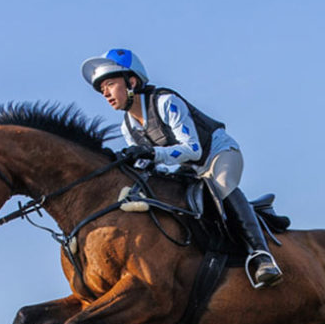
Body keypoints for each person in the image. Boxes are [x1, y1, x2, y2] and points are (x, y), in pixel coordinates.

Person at [81, 48, 282, 287]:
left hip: (218, 154)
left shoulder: (166, 102)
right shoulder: (128, 126)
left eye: (110, 84)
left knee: (220, 187)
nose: (105, 93)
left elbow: (192, 149)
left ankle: (261, 256)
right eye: (102, 89)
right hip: (189, 169)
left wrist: (150, 153)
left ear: (132, 82)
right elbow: (148, 164)